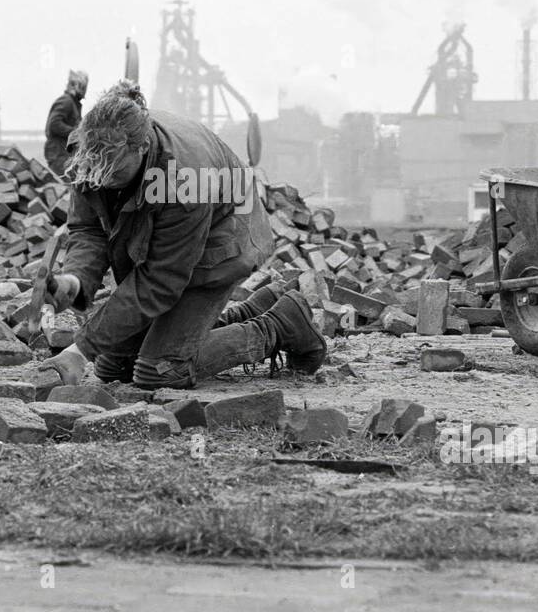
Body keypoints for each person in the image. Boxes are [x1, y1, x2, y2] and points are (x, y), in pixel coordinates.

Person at [38, 81, 326, 390]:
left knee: (159, 371)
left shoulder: (183, 181)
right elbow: (89, 228)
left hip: (222, 240)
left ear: (143, 146)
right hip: (169, 248)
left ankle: (279, 325)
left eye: (115, 174)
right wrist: (75, 280)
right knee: (114, 366)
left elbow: (160, 282)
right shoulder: (94, 154)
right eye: (98, 175)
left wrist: (80, 350)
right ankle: (252, 309)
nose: (104, 183)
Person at [44, 70, 88, 179]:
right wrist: (77, 133)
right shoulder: (66, 101)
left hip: (64, 156)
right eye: (83, 87)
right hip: (59, 156)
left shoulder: (73, 104)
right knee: (68, 188)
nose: (84, 90)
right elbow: (54, 124)